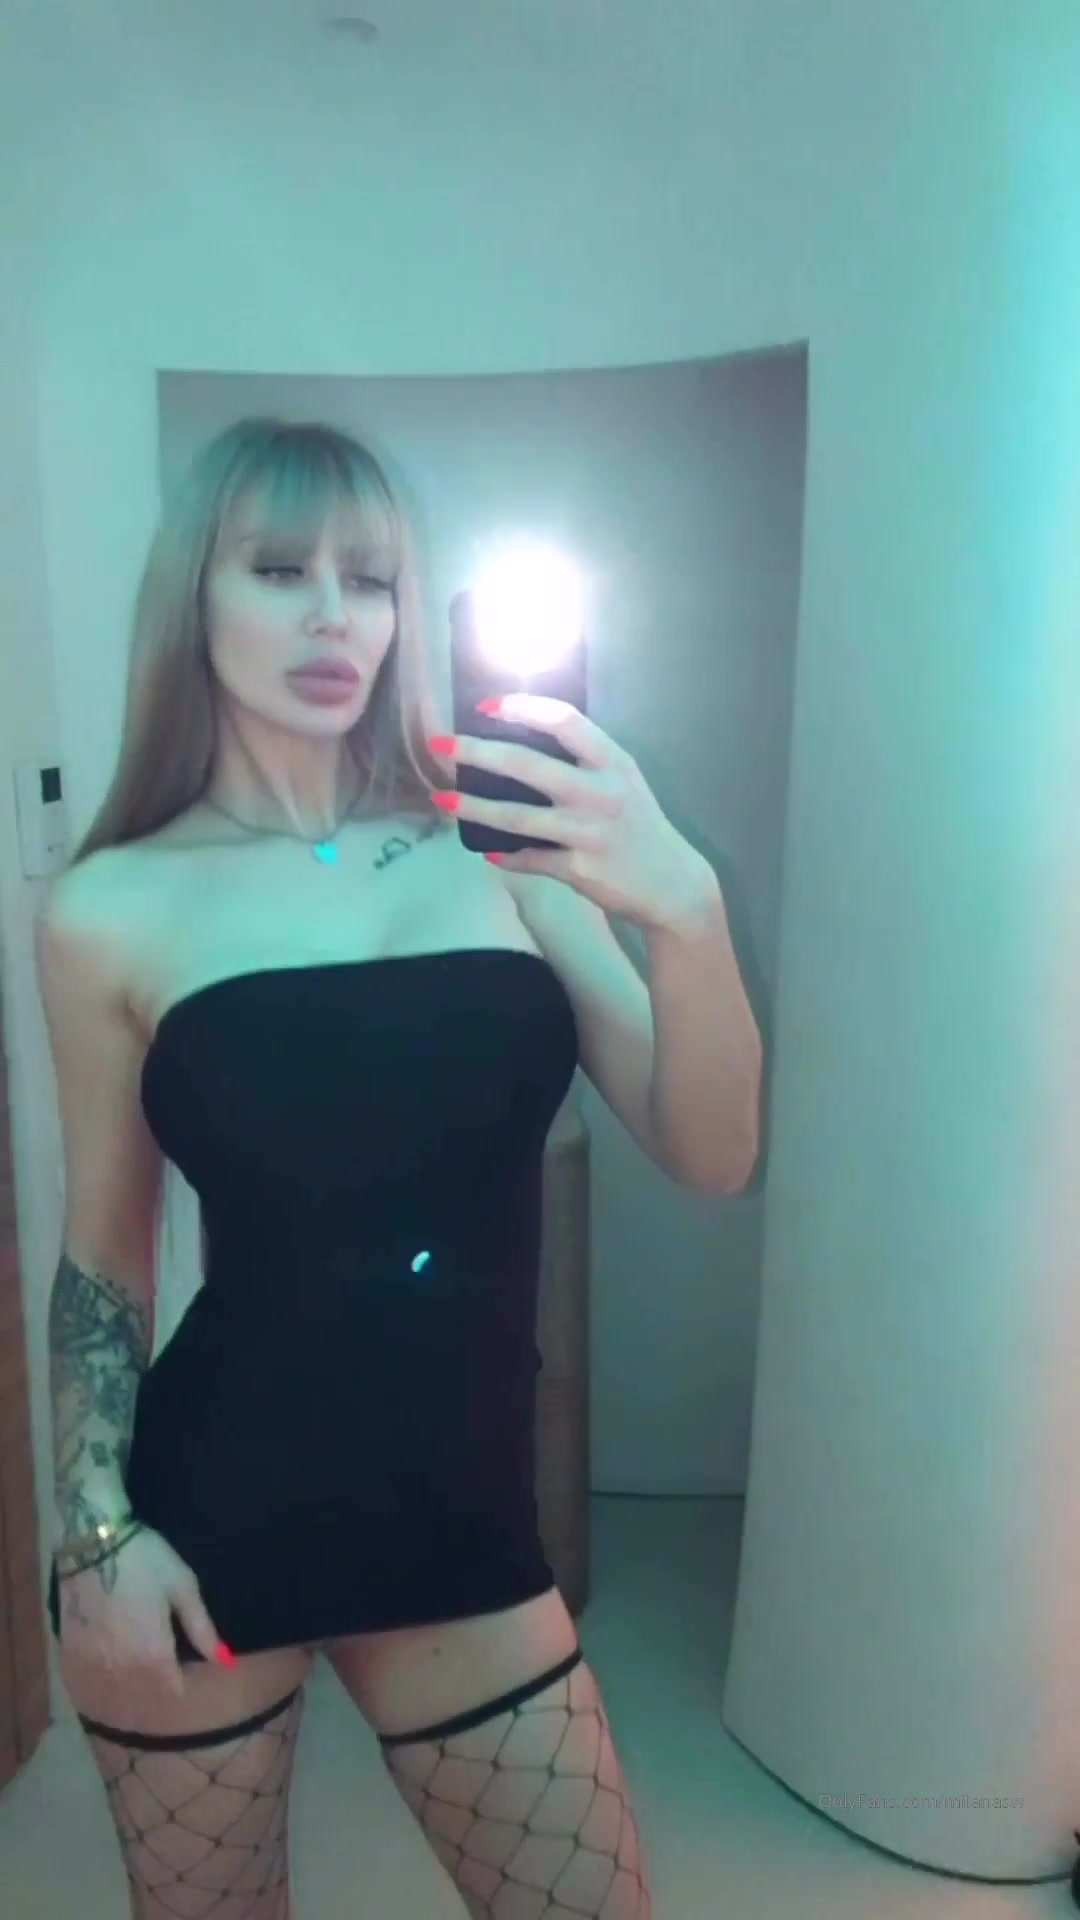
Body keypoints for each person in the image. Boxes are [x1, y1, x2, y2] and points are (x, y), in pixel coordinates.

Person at [35, 416, 763, 1920]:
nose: (332, 616)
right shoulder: (110, 907)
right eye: (279, 569)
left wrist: (685, 906)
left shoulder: (497, 850)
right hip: (213, 1512)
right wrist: (95, 1532)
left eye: (369, 580)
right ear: (194, 597)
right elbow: (104, 1255)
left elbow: (712, 1152)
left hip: (460, 1518)